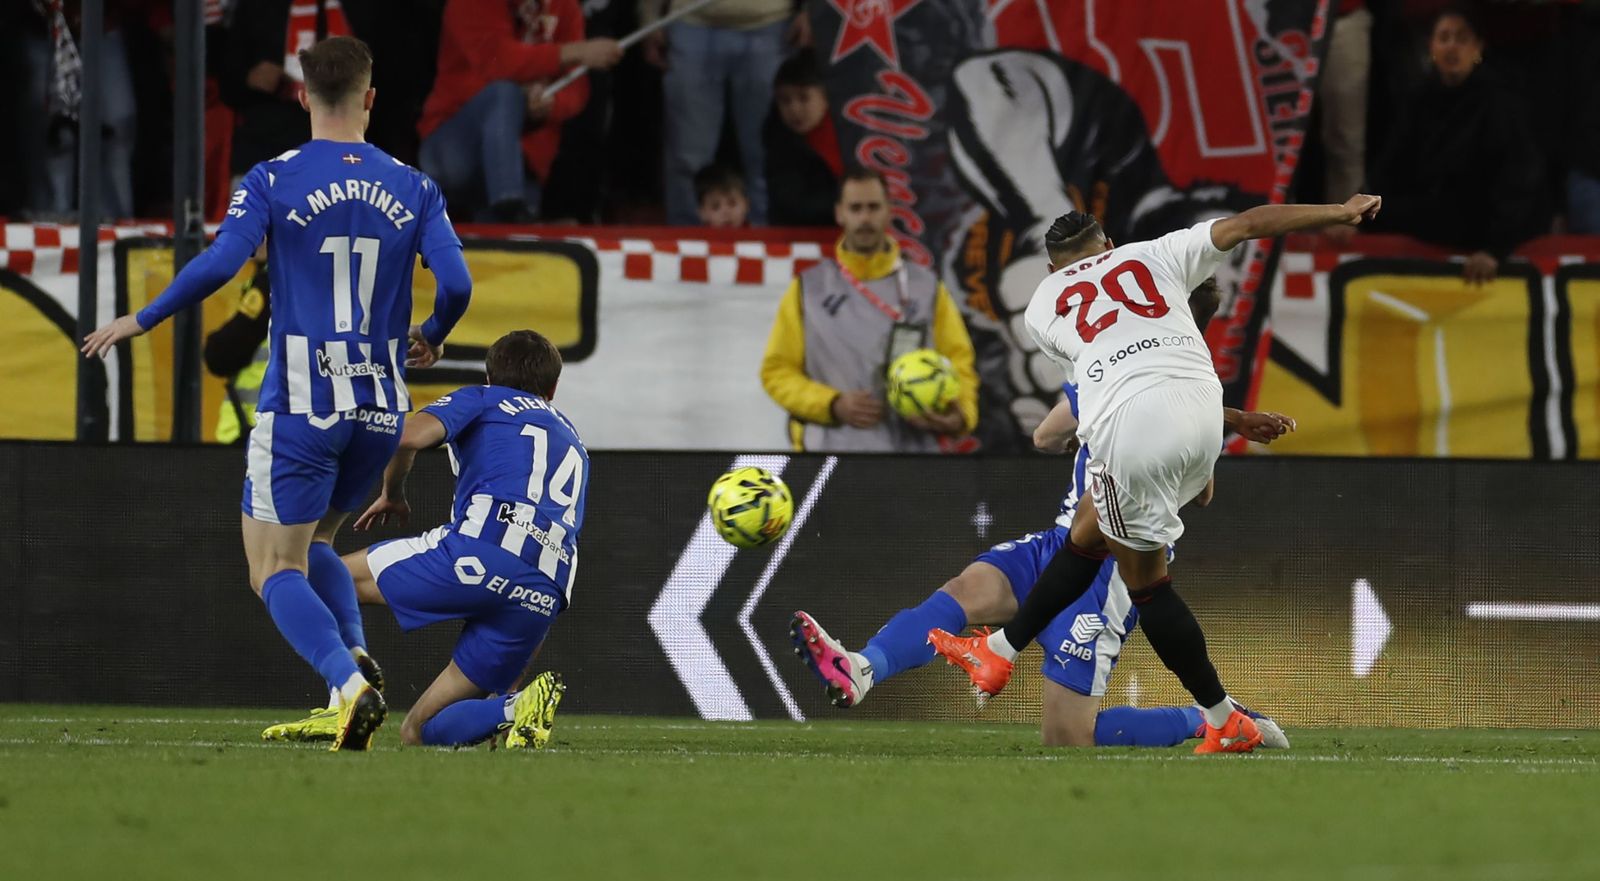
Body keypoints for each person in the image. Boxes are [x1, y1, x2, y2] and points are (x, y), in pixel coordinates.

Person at [83, 36, 474, 751]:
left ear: (301, 95)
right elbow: (458, 285)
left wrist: (140, 319)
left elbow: (222, 261)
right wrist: (436, 332)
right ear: (371, 98)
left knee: (271, 568)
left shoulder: (272, 178)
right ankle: (352, 659)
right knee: (319, 540)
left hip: (303, 401)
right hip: (381, 409)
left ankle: (347, 683)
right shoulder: (415, 186)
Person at [928, 197, 1381, 753]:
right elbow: (1250, 223)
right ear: (1110, 245)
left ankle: (1222, 718)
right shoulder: (1157, 253)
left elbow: (1087, 396)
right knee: (1089, 532)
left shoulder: (1042, 305)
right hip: (1203, 414)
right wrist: (1338, 211)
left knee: (1147, 583)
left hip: (1138, 428)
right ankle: (999, 650)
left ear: (1052, 270)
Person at [792, 281, 1296, 749]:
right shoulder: (1113, 369)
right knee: (964, 591)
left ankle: (1215, 718)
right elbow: (1046, 436)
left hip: (1112, 569)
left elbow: (1201, 492)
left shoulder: (1195, 393)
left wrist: (1173, 433)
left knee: (1066, 737)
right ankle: (862, 667)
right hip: (1059, 542)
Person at [266, 330, 584, 749]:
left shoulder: (484, 398)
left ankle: (344, 695)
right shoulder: (574, 438)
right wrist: (503, 693)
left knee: (316, 577)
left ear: (489, 376)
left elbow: (406, 437)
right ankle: (515, 708)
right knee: (417, 732)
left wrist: (392, 493)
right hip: (545, 590)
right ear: (553, 388)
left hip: (481, 551)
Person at [760, 169, 978, 452]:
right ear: (840, 213)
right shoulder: (808, 289)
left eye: (873, 207)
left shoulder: (925, 287)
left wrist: (960, 415)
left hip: (914, 458)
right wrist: (832, 403)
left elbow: (959, 360)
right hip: (829, 454)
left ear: (889, 211)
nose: (864, 218)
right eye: (855, 208)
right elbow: (776, 371)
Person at [1360, 5, 1546, 285]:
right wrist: (1356, 215)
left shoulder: (1500, 103)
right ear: (1431, 47)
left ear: (1478, 49)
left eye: (1461, 38)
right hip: (1434, 218)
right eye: (1444, 38)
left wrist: (1495, 250)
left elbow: (1518, 182)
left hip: (1483, 226)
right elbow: (1390, 169)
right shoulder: (1419, 100)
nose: (1452, 47)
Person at [419, 0, 624, 222]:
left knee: (508, 250)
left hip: (526, 163)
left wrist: (551, 103)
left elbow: (577, 90)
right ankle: (510, 204)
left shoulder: (565, 7)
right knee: (505, 93)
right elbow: (498, 61)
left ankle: (511, 207)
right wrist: (571, 53)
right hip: (454, 150)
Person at [643, 0, 811, 225]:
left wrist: (812, 10)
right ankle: (687, 246)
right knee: (687, 158)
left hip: (772, 23)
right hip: (691, 21)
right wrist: (648, 18)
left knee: (771, 153)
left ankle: (771, 247)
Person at [763, 48, 840, 227]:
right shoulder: (778, 143)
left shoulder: (851, 134)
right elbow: (793, 204)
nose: (794, 110)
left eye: (804, 98)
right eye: (785, 100)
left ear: (825, 98)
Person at [203, 243, 271, 445]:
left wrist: (213, 344)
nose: (257, 238)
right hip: (277, 426)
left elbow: (221, 356)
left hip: (256, 426)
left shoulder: (271, 282)